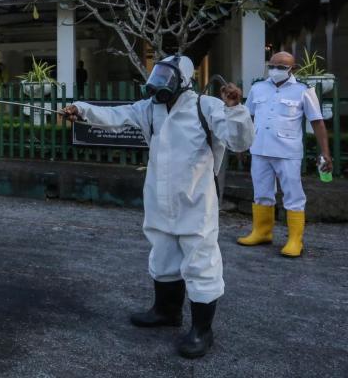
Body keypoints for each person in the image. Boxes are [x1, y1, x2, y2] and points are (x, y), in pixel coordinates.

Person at [62, 55, 254, 359]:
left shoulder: (206, 107)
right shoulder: (150, 109)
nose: (161, 82)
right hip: (159, 198)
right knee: (163, 253)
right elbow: (117, 115)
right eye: (159, 75)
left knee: (200, 261)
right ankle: (166, 312)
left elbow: (240, 141)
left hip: (195, 202)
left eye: (168, 76)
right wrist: (81, 110)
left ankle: (203, 330)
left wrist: (234, 109)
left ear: (184, 80)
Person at [237, 51, 332, 257]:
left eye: (281, 67)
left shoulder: (303, 91)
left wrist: (325, 152)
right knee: (261, 193)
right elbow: (247, 118)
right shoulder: (258, 88)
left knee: (293, 196)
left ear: (293, 68)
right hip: (260, 149)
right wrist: (243, 146)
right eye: (272, 65)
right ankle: (262, 232)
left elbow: (317, 122)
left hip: (287, 152)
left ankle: (295, 239)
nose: (275, 70)